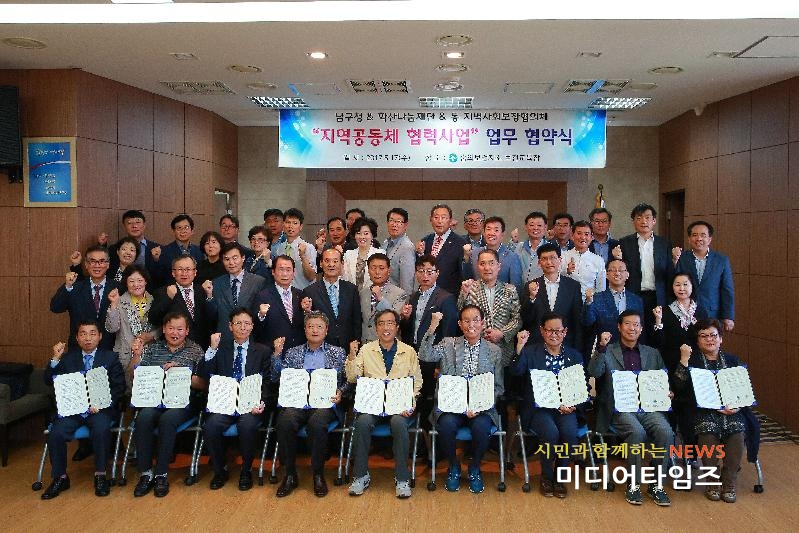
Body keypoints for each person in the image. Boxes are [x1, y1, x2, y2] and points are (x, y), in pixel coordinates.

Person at [587, 310, 674, 506]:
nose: (632, 328)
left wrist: (667, 392)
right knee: (637, 432)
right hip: (620, 408)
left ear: (641, 329)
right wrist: (601, 347)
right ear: (619, 327)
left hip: (648, 408)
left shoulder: (652, 353)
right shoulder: (607, 350)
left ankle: (657, 485)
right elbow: (594, 371)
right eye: (627, 323)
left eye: (636, 324)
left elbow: (662, 380)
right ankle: (633, 484)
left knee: (666, 431)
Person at [418, 305, 503, 493]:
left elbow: (498, 387)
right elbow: (424, 354)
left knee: (481, 427)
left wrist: (480, 405)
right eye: (466, 320)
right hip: (451, 405)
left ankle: (475, 467)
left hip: (480, 407)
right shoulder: (448, 344)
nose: (471, 324)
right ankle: (453, 465)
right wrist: (433, 326)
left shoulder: (494, 351)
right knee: (446, 424)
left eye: (475, 320)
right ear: (460, 324)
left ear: (482, 323)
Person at [41, 322, 125, 500]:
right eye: (83, 334)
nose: (88, 338)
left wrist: (102, 403)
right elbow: (49, 381)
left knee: (101, 428)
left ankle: (100, 475)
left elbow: (119, 388)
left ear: (100, 336)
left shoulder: (110, 357)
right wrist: (55, 358)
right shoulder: (67, 359)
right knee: (56, 433)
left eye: (92, 333)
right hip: (73, 411)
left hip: (100, 410)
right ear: (77, 338)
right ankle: (60, 478)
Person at [270, 311, 349, 498]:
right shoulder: (293, 352)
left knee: (317, 423)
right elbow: (277, 377)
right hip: (297, 403)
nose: (315, 330)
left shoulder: (338, 352)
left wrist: (341, 392)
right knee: (285, 421)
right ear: (304, 329)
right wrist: (277, 355)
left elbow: (348, 380)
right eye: (310, 326)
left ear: (326, 330)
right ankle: (290, 475)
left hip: (324, 404)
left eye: (319, 327)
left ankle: (318, 474)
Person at [345, 309, 422, 499]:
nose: (386, 327)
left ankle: (402, 478)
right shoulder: (366, 349)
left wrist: (411, 403)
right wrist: (352, 356)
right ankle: (361, 476)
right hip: (372, 405)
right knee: (362, 422)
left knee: (398, 423)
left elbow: (417, 383)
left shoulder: (409, 351)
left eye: (390, 323)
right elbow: (353, 378)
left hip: (399, 407)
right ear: (376, 328)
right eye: (381, 323)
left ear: (397, 327)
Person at [129, 312, 204, 498]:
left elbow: (204, 385)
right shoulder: (153, 349)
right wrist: (136, 356)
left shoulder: (196, 351)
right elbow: (134, 377)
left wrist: (182, 374)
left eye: (179, 329)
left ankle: (161, 474)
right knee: (143, 418)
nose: (175, 333)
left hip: (182, 403)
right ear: (163, 329)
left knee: (168, 420)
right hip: (154, 400)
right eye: (171, 328)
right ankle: (146, 473)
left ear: (187, 331)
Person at [671, 319, 746, 503]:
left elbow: (743, 389)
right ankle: (712, 482)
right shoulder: (692, 360)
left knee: (737, 431)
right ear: (697, 341)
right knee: (707, 431)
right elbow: (678, 386)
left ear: (721, 339)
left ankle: (729, 482)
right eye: (703, 336)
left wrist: (737, 405)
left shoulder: (733, 360)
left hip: (731, 410)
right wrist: (684, 360)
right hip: (701, 410)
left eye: (713, 335)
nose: (709, 339)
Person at [512, 313, 585, 498]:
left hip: (567, 408)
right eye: (549, 330)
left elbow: (583, 386)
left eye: (558, 331)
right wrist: (519, 347)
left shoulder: (574, 356)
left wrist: (574, 405)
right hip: (539, 409)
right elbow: (516, 372)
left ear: (565, 332)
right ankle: (546, 476)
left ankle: (560, 477)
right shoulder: (530, 352)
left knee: (569, 433)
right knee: (550, 433)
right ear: (542, 331)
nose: (554, 335)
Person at [202, 308, 272, 491]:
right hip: (225, 404)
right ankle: (220, 470)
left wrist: (262, 402)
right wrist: (212, 349)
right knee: (211, 426)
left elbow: (267, 383)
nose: (243, 327)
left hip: (250, 405)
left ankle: (246, 470)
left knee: (247, 425)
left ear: (252, 326)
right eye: (238, 323)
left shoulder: (263, 351)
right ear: (230, 326)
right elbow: (204, 374)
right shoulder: (220, 350)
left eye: (247, 323)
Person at [617, 203, 673, 337]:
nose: (643, 221)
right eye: (639, 218)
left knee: (657, 333)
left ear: (654, 221)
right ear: (633, 221)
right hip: (634, 295)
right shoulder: (624, 243)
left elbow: (669, 273)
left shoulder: (664, 243)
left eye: (647, 217)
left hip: (658, 296)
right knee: (635, 333)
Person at [52, 245, 120, 351]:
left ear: (108, 264)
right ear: (86, 264)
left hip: (109, 350)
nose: (97, 265)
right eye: (92, 261)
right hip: (79, 350)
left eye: (102, 261)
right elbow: (55, 308)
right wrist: (67, 286)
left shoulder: (118, 288)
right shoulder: (74, 287)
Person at [673, 221, 735, 332]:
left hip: (712, 313)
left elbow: (727, 290)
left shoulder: (721, 260)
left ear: (709, 239)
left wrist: (728, 316)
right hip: (686, 313)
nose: (699, 238)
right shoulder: (682, 258)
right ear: (689, 239)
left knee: (709, 341)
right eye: (694, 235)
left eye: (703, 235)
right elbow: (675, 283)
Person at [521, 243, 583, 352]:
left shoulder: (573, 286)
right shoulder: (530, 286)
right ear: (539, 263)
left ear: (560, 260)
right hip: (537, 345)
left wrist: (577, 349)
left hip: (566, 345)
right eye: (544, 259)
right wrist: (532, 297)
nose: (549, 262)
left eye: (552, 258)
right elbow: (525, 319)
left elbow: (577, 321)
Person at [104, 264, 157, 389]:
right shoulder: (119, 301)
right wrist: (114, 304)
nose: (136, 284)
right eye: (131, 281)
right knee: (126, 392)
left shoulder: (154, 300)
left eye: (140, 280)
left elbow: (162, 328)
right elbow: (112, 328)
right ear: (126, 283)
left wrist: (151, 336)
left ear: (145, 281)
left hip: (150, 354)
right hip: (126, 355)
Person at [203, 242, 267, 346]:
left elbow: (260, 313)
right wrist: (209, 296)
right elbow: (212, 315)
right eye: (227, 259)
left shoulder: (258, 282)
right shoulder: (216, 283)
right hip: (224, 339)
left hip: (250, 339)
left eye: (235, 258)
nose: (231, 262)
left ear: (243, 258)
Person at [301, 247, 362, 348]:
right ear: (321, 264)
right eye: (327, 261)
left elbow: (357, 321)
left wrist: (356, 342)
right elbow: (306, 322)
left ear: (342, 264)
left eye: (335, 261)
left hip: (348, 346)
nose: (331, 264)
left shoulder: (351, 289)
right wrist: (306, 311)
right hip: (321, 347)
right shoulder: (310, 291)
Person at [150, 256, 213, 350]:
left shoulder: (203, 290)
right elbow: (153, 319)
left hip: (202, 347)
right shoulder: (163, 292)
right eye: (180, 269)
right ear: (173, 273)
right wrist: (168, 298)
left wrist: (209, 296)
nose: (184, 273)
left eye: (188, 269)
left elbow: (212, 319)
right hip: (175, 349)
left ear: (195, 272)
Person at [581, 258, 645, 347]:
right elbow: (587, 322)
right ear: (607, 275)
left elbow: (640, 328)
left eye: (621, 270)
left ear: (627, 275)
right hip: (606, 348)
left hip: (631, 348)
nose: (617, 273)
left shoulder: (636, 300)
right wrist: (588, 302)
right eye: (613, 270)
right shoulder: (596, 298)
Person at [652, 272, 708, 373]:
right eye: (677, 285)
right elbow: (659, 342)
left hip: (698, 362)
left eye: (685, 284)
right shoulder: (664, 311)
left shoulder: (701, 311)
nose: (681, 288)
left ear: (692, 286)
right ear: (672, 288)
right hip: (672, 362)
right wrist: (658, 320)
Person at [252, 255, 306, 349]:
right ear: (273, 272)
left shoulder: (301, 295)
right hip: (274, 350)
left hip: (298, 350)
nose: (285, 274)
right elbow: (255, 328)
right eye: (281, 269)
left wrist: (307, 311)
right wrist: (261, 315)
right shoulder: (263, 296)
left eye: (288, 270)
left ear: (294, 272)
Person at [462, 216, 523, 292]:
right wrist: (466, 258)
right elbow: (467, 278)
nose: (491, 233)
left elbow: (516, 287)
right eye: (488, 229)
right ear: (484, 233)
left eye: (496, 230)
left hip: (502, 298)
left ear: (502, 234)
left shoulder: (512, 257)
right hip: (477, 297)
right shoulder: (474, 253)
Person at [417, 204, 467, 295]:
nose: (439, 221)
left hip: (449, 295)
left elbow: (464, 274)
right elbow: (419, 268)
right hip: (426, 294)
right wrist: (420, 254)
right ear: (431, 219)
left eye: (443, 217)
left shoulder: (460, 243)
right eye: (436, 217)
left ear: (450, 221)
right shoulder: (425, 241)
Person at [360, 253, 409, 342]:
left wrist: (380, 298)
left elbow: (395, 319)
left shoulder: (400, 293)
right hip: (366, 345)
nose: (377, 272)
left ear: (389, 270)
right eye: (373, 268)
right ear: (368, 270)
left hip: (387, 344)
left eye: (381, 268)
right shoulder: (363, 293)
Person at [150, 214, 204, 287]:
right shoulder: (164, 251)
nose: (183, 231)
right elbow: (158, 277)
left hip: (195, 291)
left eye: (186, 227)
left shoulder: (199, 251)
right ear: (173, 231)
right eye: (179, 228)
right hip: (172, 291)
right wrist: (156, 260)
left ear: (192, 231)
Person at [107, 210, 160, 280]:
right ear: (124, 226)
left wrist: (156, 259)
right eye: (129, 223)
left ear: (144, 225)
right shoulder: (114, 248)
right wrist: (102, 245)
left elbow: (161, 275)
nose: (134, 226)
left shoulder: (156, 248)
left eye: (138, 222)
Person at [271, 208, 317, 290]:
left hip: (303, 292)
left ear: (301, 227)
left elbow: (311, 277)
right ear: (283, 225)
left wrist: (303, 257)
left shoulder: (308, 248)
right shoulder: (280, 248)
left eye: (295, 223)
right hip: (284, 293)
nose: (290, 226)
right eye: (288, 222)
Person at [560, 220, 606, 301]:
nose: (583, 237)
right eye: (579, 233)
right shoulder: (563, 256)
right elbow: (555, 281)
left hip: (589, 303)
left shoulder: (598, 260)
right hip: (566, 302)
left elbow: (601, 289)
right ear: (572, 236)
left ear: (592, 237)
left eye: (586, 234)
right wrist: (567, 272)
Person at [342, 217, 386, 293]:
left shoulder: (380, 253)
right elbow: (345, 278)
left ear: (372, 235)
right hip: (351, 296)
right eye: (358, 233)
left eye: (366, 233)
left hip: (372, 295)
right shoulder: (348, 254)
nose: (362, 237)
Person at [72, 236, 139, 284]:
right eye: (124, 249)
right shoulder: (107, 269)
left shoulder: (140, 273)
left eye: (132, 250)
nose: (128, 253)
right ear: (118, 252)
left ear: (136, 254)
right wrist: (76, 264)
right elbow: (84, 285)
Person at [383, 207, 416, 293]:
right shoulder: (385, 243)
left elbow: (407, 283)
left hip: (396, 297)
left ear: (405, 225)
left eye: (398, 221)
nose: (394, 224)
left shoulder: (407, 248)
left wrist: (404, 300)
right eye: (391, 220)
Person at [514, 211, 553, 286]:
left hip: (543, 290)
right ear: (526, 227)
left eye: (539, 225)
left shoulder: (551, 249)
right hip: (521, 290)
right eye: (532, 225)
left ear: (545, 227)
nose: (535, 228)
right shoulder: (518, 247)